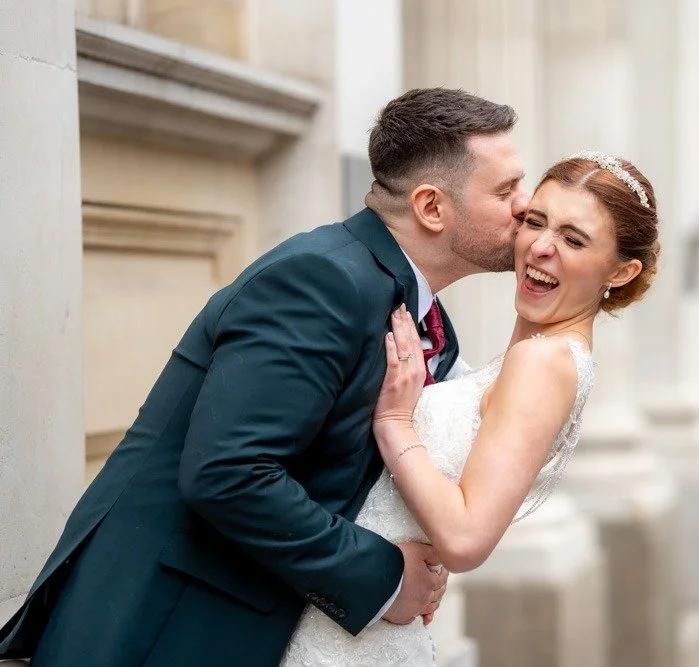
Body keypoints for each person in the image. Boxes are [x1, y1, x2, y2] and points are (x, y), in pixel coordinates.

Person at [0, 88, 529, 667]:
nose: (525, 206)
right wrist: (380, 576)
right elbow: (228, 472)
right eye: (505, 190)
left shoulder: (416, 309)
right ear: (432, 207)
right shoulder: (320, 282)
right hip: (167, 627)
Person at [280, 150, 660, 665]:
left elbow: (463, 537)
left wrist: (394, 422)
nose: (541, 248)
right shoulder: (540, 357)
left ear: (621, 270)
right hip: (358, 615)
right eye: (535, 221)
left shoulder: (544, 363)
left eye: (573, 239)